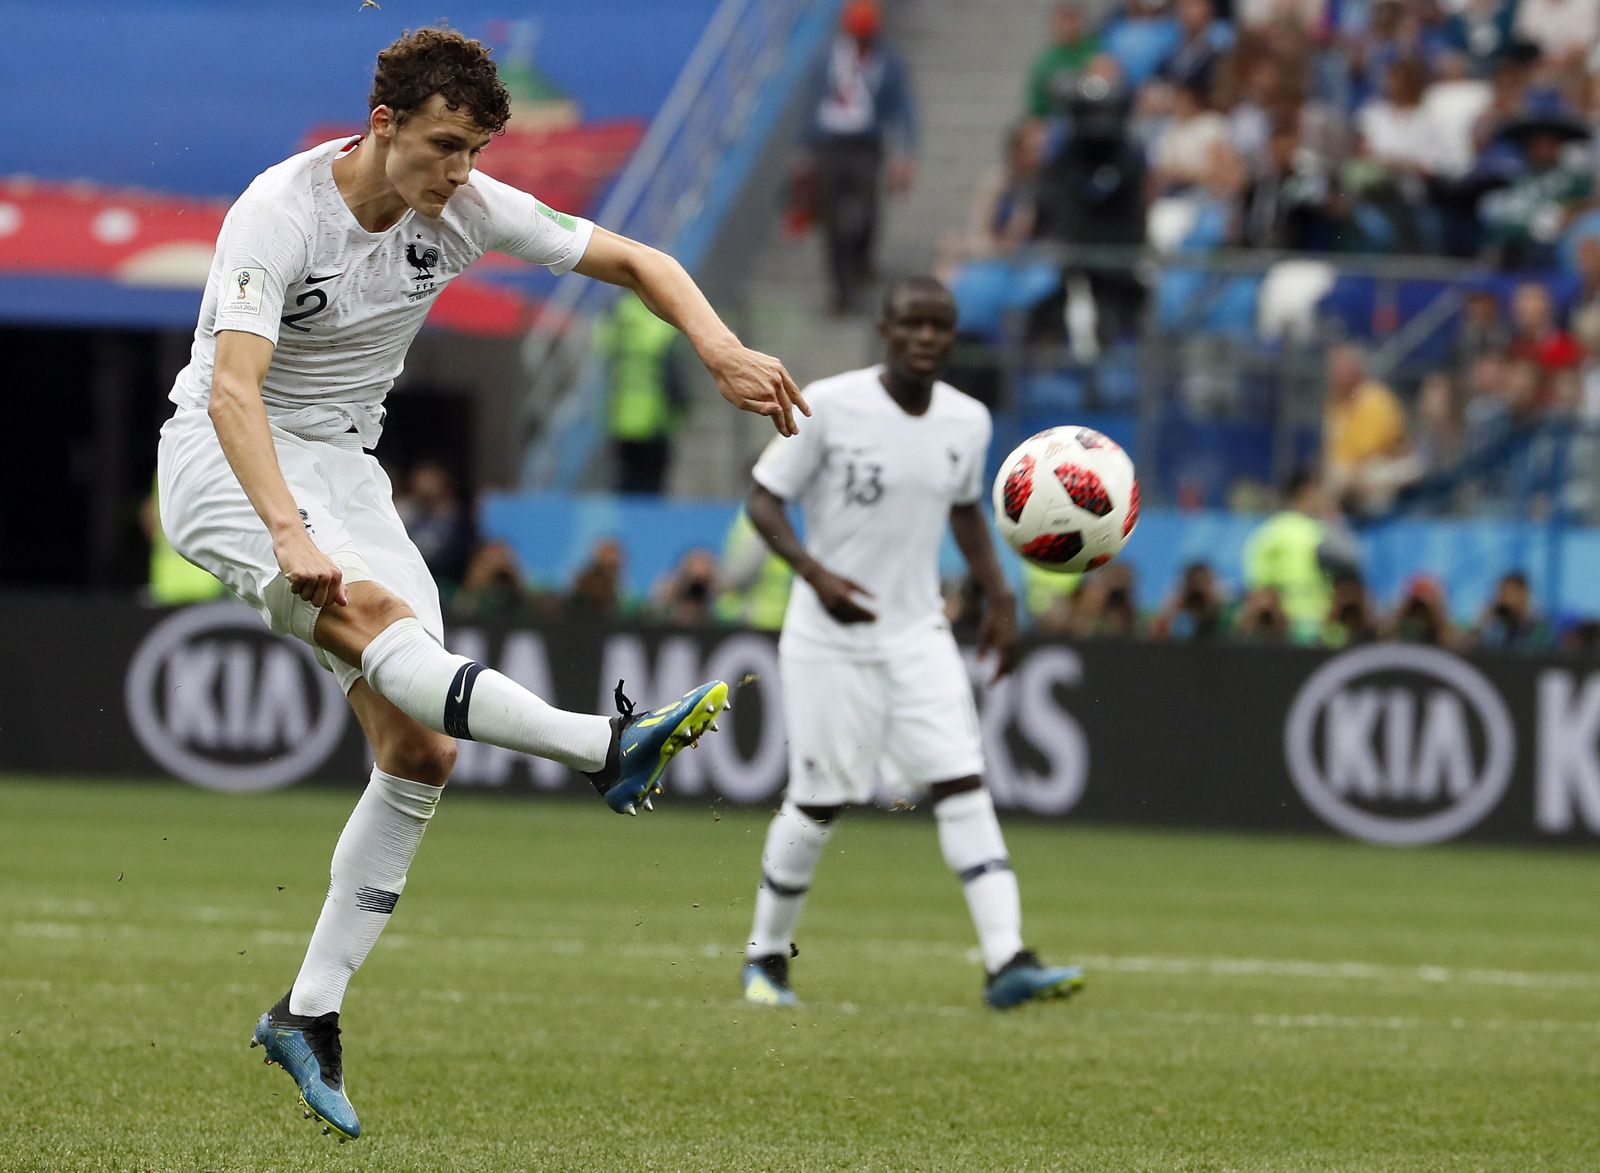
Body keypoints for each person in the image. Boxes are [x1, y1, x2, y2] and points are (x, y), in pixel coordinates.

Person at [154, 28, 807, 1141]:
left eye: (474, 151)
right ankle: (604, 749)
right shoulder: (279, 212)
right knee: (377, 622)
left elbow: (640, 261)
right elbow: (231, 390)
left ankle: (307, 1015)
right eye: (445, 147)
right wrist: (284, 531)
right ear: (382, 128)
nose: (459, 173)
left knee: (421, 749)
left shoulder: (464, 208)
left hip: (346, 473)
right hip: (230, 461)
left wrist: (718, 346)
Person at [736, 276, 1083, 1011]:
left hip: (918, 631)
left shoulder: (969, 420)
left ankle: (1006, 960)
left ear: (953, 339)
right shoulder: (829, 405)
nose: (927, 337)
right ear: (885, 330)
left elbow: (965, 511)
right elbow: (764, 499)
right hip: (827, 637)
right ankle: (766, 958)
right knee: (821, 799)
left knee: (962, 780)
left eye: (940, 327)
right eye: (913, 324)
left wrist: (1000, 592)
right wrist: (815, 572)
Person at [800, 0, 919, 315]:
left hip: (867, 146)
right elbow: (812, 104)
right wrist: (805, 151)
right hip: (830, 147)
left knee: (866, 213)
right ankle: (840, 291)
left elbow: (902, 106)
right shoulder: (828, 57)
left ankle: (863, 260)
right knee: (832, 224)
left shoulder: (887, 60)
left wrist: (905, 153)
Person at [596, 290, 686, 494]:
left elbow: (603, 354)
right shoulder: (661, 320)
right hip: (655, 418)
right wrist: (681, 410)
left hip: (618, 418)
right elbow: (673, 373)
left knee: (624, 485)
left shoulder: (616, 316)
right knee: (652, 486)